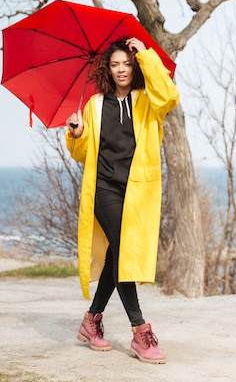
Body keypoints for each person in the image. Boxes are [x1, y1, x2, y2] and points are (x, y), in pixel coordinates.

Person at [65, 36, 179, 364]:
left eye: (126, 64)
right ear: (107, 69)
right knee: (125, 251)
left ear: (135, 66)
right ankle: (140, 331)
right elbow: (84, 153)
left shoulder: (149, 101)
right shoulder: (95, 105)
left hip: (136, 192)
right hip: (104, 190)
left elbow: (170, 95)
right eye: (115, 64)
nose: (121, 70)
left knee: (117, 256)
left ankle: (91, 321)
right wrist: (76, 134)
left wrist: (145, 54)